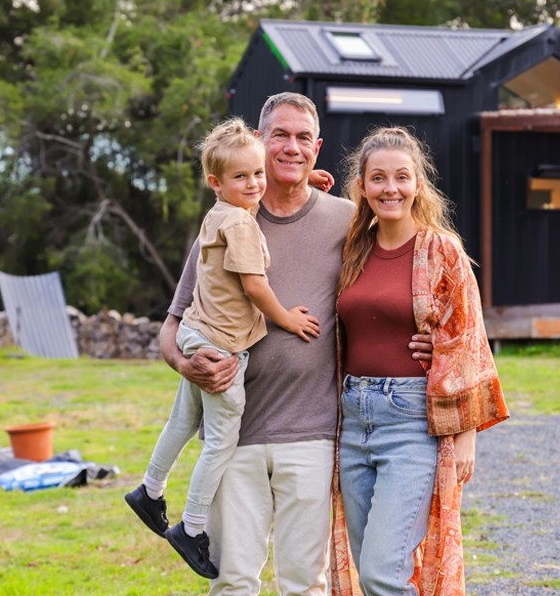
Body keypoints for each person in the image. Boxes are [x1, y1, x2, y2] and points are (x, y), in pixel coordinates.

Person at [159, 93, 432, 596]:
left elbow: (401, 270)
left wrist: (430, 337)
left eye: (303, 137)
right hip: (234, 434)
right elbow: (172, 324)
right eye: (279, 135)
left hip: (312, 433)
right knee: (234, 580)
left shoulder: (349, 220)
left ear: (317, 147)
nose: (291, 146)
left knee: (304, 583)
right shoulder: (221, 224)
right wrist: (184, 362)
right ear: (258, 143)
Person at [126, 117, 321, 579]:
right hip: (221, 349)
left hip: (200, 332)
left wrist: (306, 180)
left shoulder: (220, 212)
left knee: (181, 421)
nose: (255, 183)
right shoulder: (243, 226)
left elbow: (253, 190)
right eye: (243, 176)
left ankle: (150, 488)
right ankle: (192, 527)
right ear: (217, 183)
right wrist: (287, 319)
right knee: (220, 442)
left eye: (258, 174)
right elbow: (254, 286)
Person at [330, 126, 509, 596]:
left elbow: (467, 340)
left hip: (410, 424)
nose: (391, 188)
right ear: (363, 186)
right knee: (370, 569)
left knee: (382, 575)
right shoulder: (352, 248)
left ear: (418, 184)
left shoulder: (440, 249)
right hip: (352, 424)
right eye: (378, 178)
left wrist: (466, 434)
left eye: (402, 177)